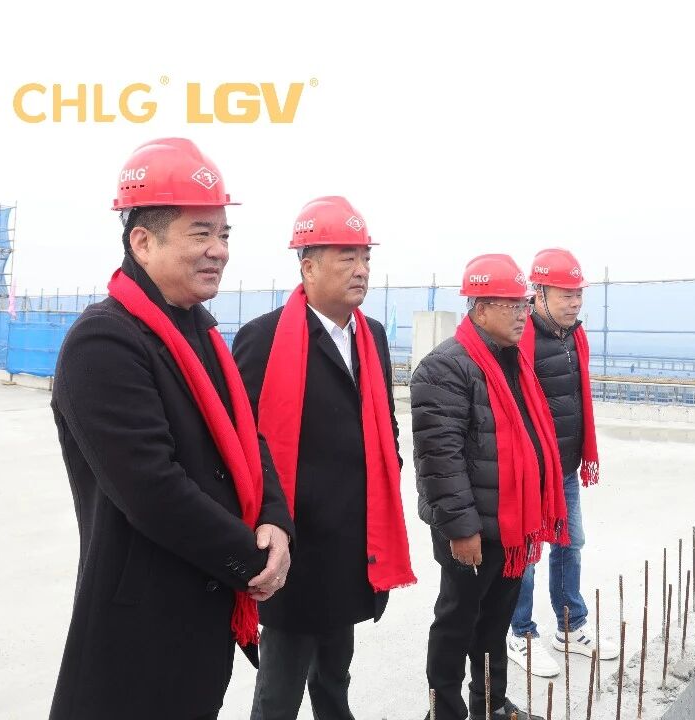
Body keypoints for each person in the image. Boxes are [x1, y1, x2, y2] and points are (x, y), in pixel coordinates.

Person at [49, 138, 294, 720]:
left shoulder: (201, 333)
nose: (219, 250)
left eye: (224, 234)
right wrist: (253, 559)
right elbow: (151, 489)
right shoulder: (103, 341)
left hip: (204, 616)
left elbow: (248, 437)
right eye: (200, 233)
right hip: (141, 625)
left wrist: (276, 522)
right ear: (142, 241)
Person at [233, 196, 414, 720]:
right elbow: (243, 441)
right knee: (280, 685)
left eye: (366, 257)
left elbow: (385, 422)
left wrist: (389, 471)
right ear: (308, 266)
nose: (362, 270)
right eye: (346, 257)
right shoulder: (265, 338)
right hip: (295, 540)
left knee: (335, 670)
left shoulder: (371, 335)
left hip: (353, 540)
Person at [411, 253, 568, 720]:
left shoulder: (512, 361)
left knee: (495, 624)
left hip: (511, 525)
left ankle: (491, 706)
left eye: (524, 304)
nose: (522, 314)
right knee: (457, 621)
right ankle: (444, 711)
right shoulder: (445, 368)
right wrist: (462, 530)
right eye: (511, 305)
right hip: (473, 527)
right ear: (479, 308)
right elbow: (440, 461)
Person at [505, 248, 613, 677]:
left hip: (565, 467)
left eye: (578, 294)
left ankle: (570, 626)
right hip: (530, 469)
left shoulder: (575, 337)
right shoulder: (519, 336)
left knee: (571, 542)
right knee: (528, 551)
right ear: (539, 292)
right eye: (566, 294)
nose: (574, 302)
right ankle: (520, 632)